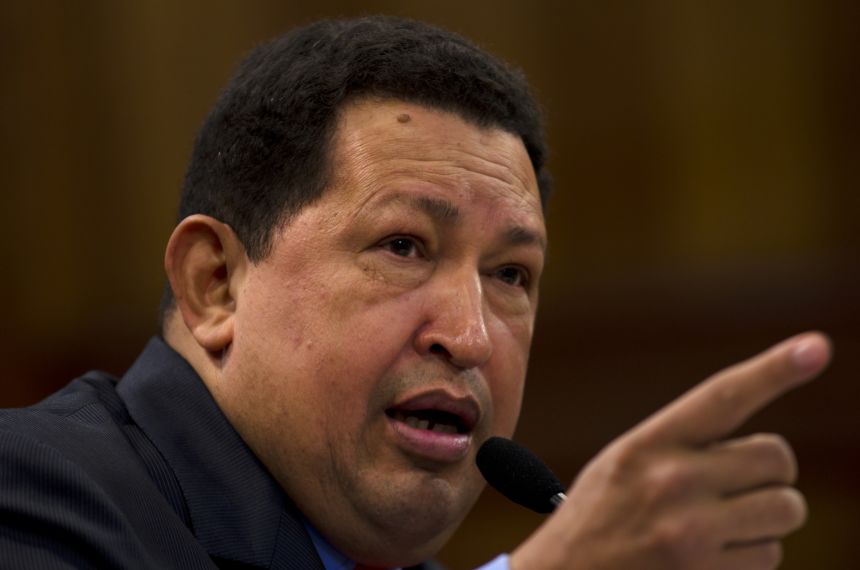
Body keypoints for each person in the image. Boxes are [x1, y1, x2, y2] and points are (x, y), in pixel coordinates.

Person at [0, 15, 831, 570]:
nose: (470, 337)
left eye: (511, 275)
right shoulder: (35, 492)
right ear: (215, 285)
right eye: (403, 247)